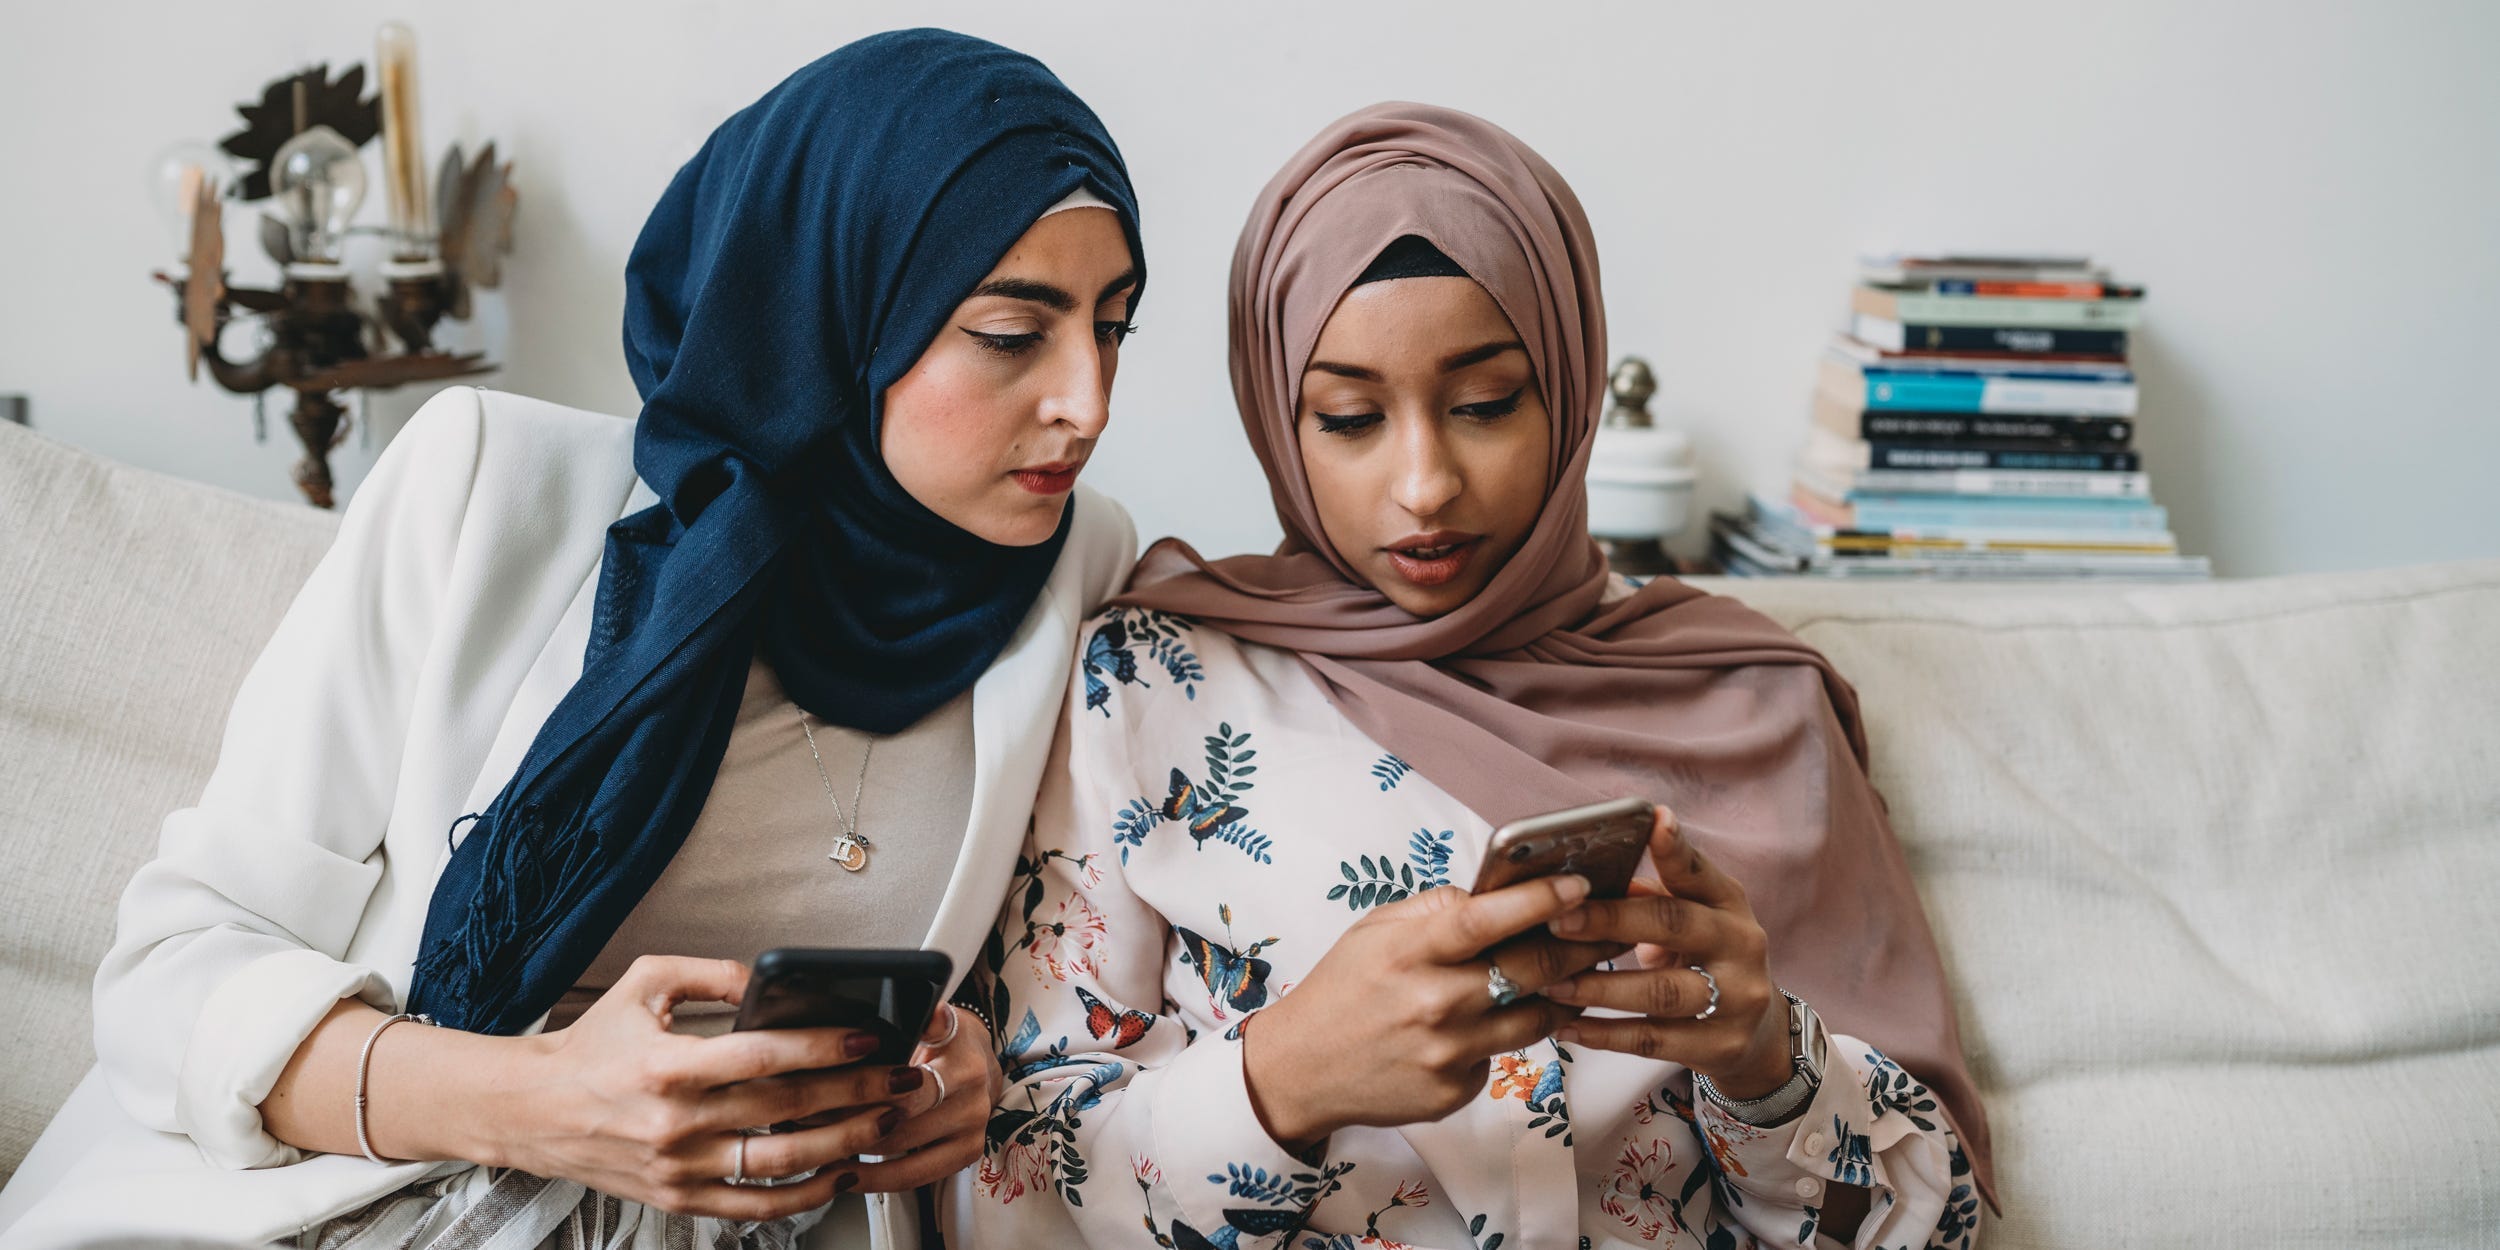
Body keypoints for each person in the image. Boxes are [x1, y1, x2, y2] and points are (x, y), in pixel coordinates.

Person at [0, 29, 1144, 1250]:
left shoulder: (1081, 569)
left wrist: (969, 1073)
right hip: (394, 1198)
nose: (1087, 398)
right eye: (1012, 334)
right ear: (833, 306)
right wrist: (542, 1105)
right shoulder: (483, 484)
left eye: (1115, 326)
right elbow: (169, 975)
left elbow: (1063, 990)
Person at [965, 102, 1993, 1250]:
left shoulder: (1755, 703)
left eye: (1485, 403)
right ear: (1275, 415)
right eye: (1350, 417)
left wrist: (1766, 1066)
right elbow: (1014, 1181)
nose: (1425, 484)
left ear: (1570, 382)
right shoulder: (1147, 682)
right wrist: (1282, 1080)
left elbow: (1925, 1226)